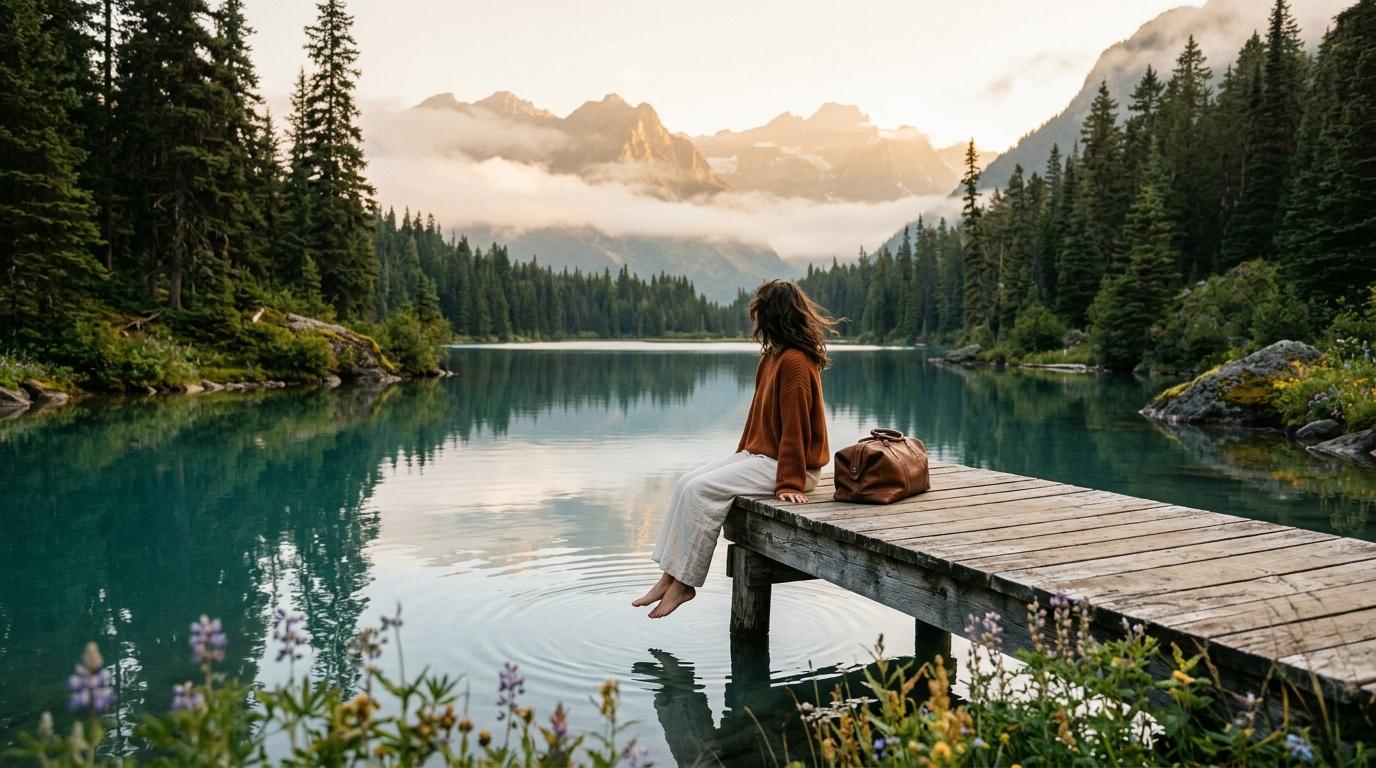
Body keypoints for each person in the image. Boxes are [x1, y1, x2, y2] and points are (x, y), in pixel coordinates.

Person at [633, 279, 835, 618]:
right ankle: (668, 576)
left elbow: (796, 427)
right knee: (686, 483)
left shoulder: (795, 362)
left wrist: (789, 482)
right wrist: (741, 456)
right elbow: (758, 421)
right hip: (763, 457)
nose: (756, 322)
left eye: (760, 314)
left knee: (700, 492)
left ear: (772, 317)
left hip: (794, 467)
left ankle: (685, 584)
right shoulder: (773, 357)